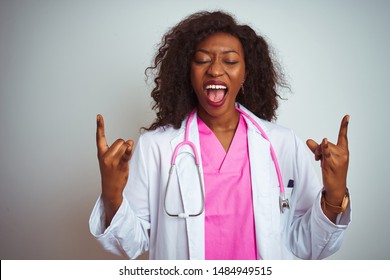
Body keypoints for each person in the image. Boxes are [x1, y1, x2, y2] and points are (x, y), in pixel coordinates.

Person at [89, 10, 351, 260]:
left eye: (230, 61)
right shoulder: (156, 147)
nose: (215, 70)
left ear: (246, 73)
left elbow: (308, 245)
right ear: (186, 73)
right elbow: (131, 244)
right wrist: (112, 194)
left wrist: (335, 195)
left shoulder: (281, 144)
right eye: (202, 60)